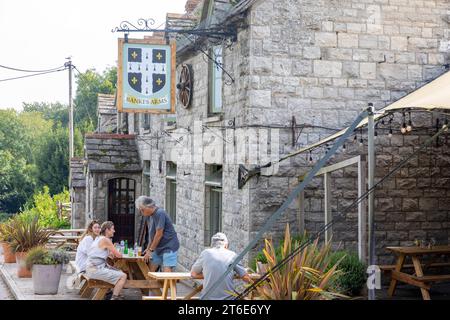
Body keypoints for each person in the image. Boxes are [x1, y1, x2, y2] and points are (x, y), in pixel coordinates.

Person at [191, 232, 251, 300]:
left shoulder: (205, 253)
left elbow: (193, 274)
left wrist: (209, 274)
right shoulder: (232, 255)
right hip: (228, 298)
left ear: (212, 245)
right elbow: (245, 277)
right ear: (226, 245)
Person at [135, 196, 180, 272]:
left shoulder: (160, 213)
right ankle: (152, 284)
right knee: (150, 271)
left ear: (148, 207)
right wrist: (148, 248)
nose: (141, 212)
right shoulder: (150, 216)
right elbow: (151, 234)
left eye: (142, 210)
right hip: (158, 247)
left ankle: (168, 284)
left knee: (167, 273)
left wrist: (151, 250)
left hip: (169, 246)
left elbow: (159, 234)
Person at [85, 221, 127, 300]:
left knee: (119, 271)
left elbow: (107, 253)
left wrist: (111, 251)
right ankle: (114, 297)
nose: (114, 231)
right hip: (94, 269)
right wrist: (117, 251)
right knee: (123, 276)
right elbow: (118, 255)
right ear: (107, 230)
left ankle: (109, 292)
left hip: (91, 268)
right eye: (112, 229)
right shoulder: (106, 240)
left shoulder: (99, 238)